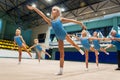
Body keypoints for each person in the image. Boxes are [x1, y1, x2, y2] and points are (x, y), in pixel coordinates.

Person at [27, 5, 86, 75]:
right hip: (59, 38)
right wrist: (34, 8)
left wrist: (80, 23)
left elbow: (71, 20)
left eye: (55, 10)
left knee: (73, 44)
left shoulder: (60, 19)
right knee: (62, 54)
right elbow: (42, 15)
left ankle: (79, 49)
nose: (53, 11)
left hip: (64, 34)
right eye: (52, 10)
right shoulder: (50, 21)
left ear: (58, 12)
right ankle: (61, 70)